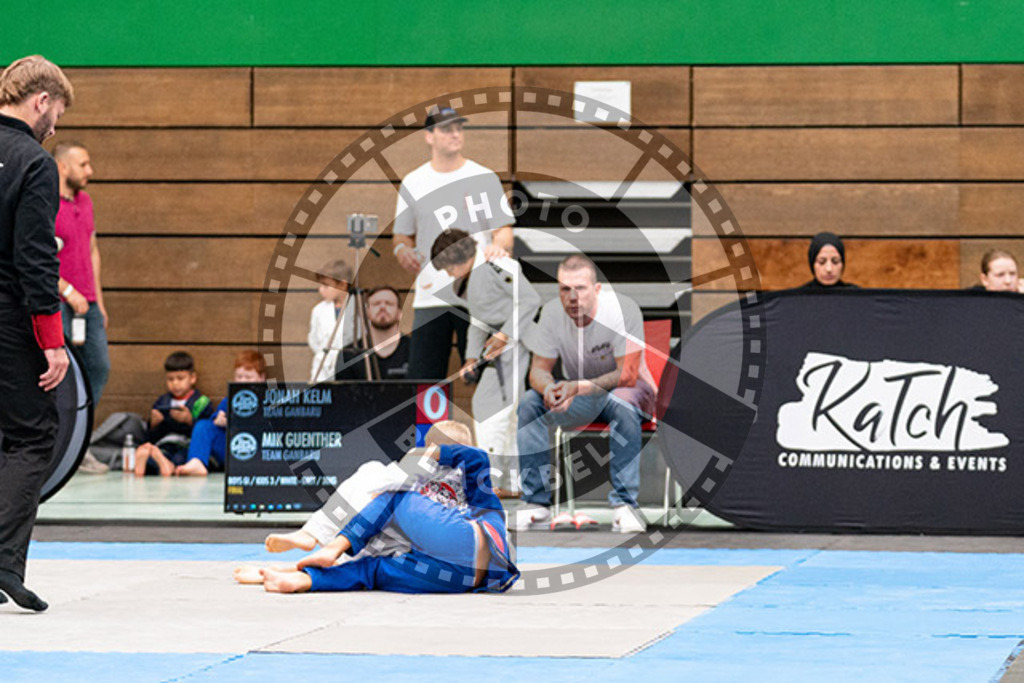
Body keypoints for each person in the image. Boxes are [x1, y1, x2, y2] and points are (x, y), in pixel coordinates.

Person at [256, 421, 519, 595]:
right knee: (375, 569)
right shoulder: (422, 488)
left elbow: (477, 457)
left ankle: (326, 543)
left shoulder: (472, 486)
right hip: (463, 578)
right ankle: (306, 578)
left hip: (469, 540)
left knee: (384, 490)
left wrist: (432, 454)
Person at [0, 55, 74, 612]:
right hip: (7, 318)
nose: (56, 129)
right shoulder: (33, 161)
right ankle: (3, 561)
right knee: (31, 435)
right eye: (58, 115)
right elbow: (34, 260)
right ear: (41, 101)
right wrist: (52, 338)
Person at [515, 254, 656, 534]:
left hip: (632, 391)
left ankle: (624, 505)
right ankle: (536, 504)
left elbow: (627, 374)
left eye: (580, 288)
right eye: (565, 289)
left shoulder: (622, 309)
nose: (572, 296)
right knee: (530, 403)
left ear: (597, 289)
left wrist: (575, 387)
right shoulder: (552, 313)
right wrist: (551, 389)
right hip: (582, 396)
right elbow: (537, 372)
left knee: (621, 401)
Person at [392, 107, 515, 381]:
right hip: (430, 295)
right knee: (423, 379)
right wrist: (403, 252)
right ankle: (426, 427)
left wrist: (500, 248)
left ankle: (486, 426)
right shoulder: (414, 182)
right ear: (429, 136)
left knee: (488, 378)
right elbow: (401, 236)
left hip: (477, 295)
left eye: (459, 128)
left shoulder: (484, 178)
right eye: (447, 129)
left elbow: (504, 230)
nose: (455, 134)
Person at [430, 228, 541, 496]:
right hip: (500, 346)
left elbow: (531, 300)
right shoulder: (473, 278)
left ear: (456, 259)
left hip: (519, 343)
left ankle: (496, 480)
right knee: (508, 415)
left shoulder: (497, 264)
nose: (448, 274)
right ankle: (510, 483)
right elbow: (477, 322)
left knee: (492, 410)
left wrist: (504, 334)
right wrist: (470, 357)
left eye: (447, 268)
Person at [52, 141, 111, 475]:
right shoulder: (45, 201)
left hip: (86, 304)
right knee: (58, 376)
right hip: (56, 302)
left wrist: (97, 300)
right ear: (63, 167)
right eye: (83, 164)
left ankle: (77, 442)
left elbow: (92, 250)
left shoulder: (85, 202)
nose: (90, 171)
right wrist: (68, 289)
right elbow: (37, 255)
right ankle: (56, 448)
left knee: (97, 369)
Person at [176, 350, 266, 476]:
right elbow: (216, 418)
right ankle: (197, 461)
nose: (242, 381)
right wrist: (219, 420)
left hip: (258, 451)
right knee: (203, 425)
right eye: (239, 377)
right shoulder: (231, 398)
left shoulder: (269, 399)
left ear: (261, 378)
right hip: (232, 448)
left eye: (248, 377)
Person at [133, 351, 215, 476]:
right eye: (170, 379)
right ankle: (161, 464)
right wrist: (154, 424)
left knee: (180, 459)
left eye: (180, 378)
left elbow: (206, 432)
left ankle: (167, 466)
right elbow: (151, 437)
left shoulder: (201, 402)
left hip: (187, 445)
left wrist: (189, 421)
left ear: (192, 378)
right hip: (165, 444)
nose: (175, 384)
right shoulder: (162, 401)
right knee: (153, 458)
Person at [334, 286, 410, 380]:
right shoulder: (348, 355)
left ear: (399, 313)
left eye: (389, 303)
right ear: (367, 312)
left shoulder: (415, 351)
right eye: (376, 304)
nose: (382, 307)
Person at [308, 259, 356, 383]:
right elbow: (314, 340)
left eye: (326, 286)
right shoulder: (318, 310)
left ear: (343, 285)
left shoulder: (359, 308)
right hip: (323, 368)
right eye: (320, 285)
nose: (321, 290)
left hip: (350, 366)